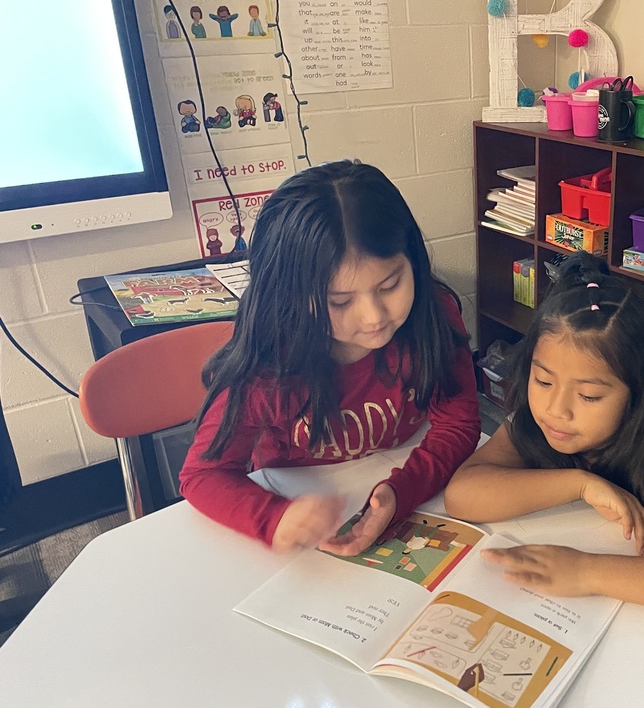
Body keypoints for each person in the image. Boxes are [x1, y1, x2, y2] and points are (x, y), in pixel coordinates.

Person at [444, 253, 644, 620]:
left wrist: (585, 571)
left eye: (589, 396)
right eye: (543, 381)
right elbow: (461, 497)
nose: (556, 409)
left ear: (641, 393)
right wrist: (580, 484)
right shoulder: (539, 424)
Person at [179, 160, 481, 555]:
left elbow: (457, 424)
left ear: (414, 261)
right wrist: (274, 518)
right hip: (299, 506)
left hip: (397, 478)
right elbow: (203, 474)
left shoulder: (432, 314)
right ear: (289, 297)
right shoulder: (268, 359)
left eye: (390, 285)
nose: (374, 317)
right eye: (339, 301)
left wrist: (400, 491)